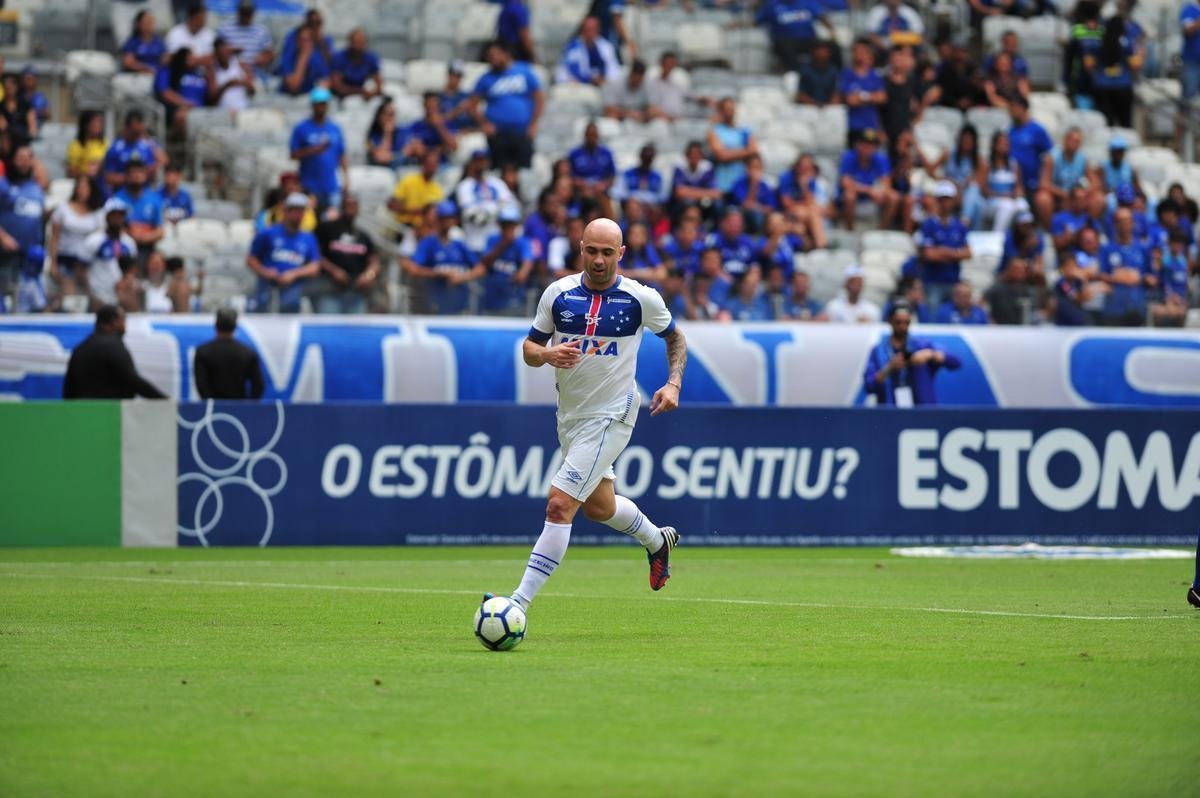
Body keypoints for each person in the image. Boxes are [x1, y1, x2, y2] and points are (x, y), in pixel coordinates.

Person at [491, 217, 685, 617]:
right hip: (571, 417)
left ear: (621, 253)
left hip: (613, 414)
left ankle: (516, 605)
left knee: (559, 505)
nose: (599, 260)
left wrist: (673, 384)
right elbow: (529, 349)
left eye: (607, 253)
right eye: (592, 251)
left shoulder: (640, 298)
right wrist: (547, 354)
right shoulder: (558, 294)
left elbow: (675, 338)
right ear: (580, 249)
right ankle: (657, 541)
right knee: (600, 507)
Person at [863, 301, 961, 406]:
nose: (902, 326)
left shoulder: (921, 346)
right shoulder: (878, 351)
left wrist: (931, 354)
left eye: (906, 322)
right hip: (890, 409)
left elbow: (956, 362)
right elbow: (869, 386)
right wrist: (889, 368)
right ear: (890, 321)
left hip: (922, 408)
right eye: (898, 322)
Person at [62, 306, 166, 399]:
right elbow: (132, 380)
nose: (125, 325)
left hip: (83, 411)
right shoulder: (113, 346)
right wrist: (164, 400)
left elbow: (68, 389)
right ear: (114, 321)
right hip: (111, 411)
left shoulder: (79, 349)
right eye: (123, 319)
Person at [469, 41, 544, 170]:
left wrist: (534, 123)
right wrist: (484, 124)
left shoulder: (524, 71)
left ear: (506, 53)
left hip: (522, 132)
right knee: (498, 169)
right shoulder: (486, 78)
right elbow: (471, 105)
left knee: (524, 170)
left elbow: (539, 98)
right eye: (489, 56)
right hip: (498, 134)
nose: (492, 59)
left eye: (495, 54)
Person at [247, 192, 321, 313]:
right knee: (261, 303)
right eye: (295, 211)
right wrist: (265, 272)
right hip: (268, 285)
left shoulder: (308, 237)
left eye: (302, 211)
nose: (299, 215)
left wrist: (293, 274)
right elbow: (251, 260)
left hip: (295, 288)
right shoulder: (268, 233)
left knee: (291, 303)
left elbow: (314, 266)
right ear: (286, 211)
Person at [402, 201, 478, 315]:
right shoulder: (428, 243)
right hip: (433, 303)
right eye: (443, 218)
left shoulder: (458, 242)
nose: (447, 222)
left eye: (450, 218)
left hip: (459, 303)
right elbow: (414, 269)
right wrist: (439, 273)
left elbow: (479, 267)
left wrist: (463, 277)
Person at [313, 194, 379, 314]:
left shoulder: (363, 235)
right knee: (329, 323)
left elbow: (374, 261)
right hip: (329, 290)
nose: (351, 208)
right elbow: (316, 255)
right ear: (342, 207)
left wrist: (369, 275)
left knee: (355, 324)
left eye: (354, 205)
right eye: (348, 205)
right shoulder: (326, 228)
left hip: (356, 291)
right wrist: (334, 271)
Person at [0, 144, 45, 311]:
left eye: (28, 158)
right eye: (20, 158)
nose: (24, 162)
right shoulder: (3, 185)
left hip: (30, 260)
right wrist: (2, 237)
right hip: (5, 257)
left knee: (29, 306)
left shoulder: (36, 188)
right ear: (12, 160)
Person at [914, 181, 971, 309]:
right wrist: (955, 253)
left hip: (953, 281)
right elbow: (929, 255)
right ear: (937, 200)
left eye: (948, 199)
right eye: (942, 199)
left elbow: (968, 253)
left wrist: (941, 251)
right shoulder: (928, 224)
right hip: (932, 282)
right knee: (933, 314)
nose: (945, 203)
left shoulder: (960, 225)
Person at [289, 87, 347, 214]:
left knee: (331, 220)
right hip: (309, 186)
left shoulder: (335, 128)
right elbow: (293, 154)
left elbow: (341, 155)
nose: (321, 107)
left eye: (324, 103)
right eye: (318, 103)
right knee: (310, 219)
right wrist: (314, 150)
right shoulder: (301, 128)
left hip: (331, 186)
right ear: (312, 105)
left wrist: (346, 179)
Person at [470, 205, 534, 316]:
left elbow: (527, 263)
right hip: (492, 298)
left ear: (516, 226)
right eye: (505, 225)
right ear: (499, 225)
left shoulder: (523, 242)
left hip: (513, 297)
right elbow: (484, 262)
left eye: (511, 225)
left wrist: (522, 273)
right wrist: (503, 244)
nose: (508, 228)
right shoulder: (492, 240)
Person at [48, 175, 104, 299]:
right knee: (69, 293)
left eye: (86, 187)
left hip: (86, 262)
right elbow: (54, 238)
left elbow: (99, 240)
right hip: (66, 258)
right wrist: (53, 263)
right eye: (80, 187)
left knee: (92, 295)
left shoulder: (97, 213)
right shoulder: (63, 208)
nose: (82, 190)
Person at [1097, 206, 1152, 327]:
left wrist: (1141, 278)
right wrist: (1119, 277)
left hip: (1137, 307)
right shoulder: (1106, 249)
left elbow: (1152, 277)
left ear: (1132, 223)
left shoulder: (1143, 249)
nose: (1124, 225)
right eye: (1120, 221)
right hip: (1113, 308)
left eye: (1127, 221)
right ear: (1115, 224)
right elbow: (1101, 274)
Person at [194, 308, 265, 399]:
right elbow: (258, 385)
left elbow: (201, 384)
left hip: (214, 405)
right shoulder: (247, 353)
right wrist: (248, 404)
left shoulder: (203, 352)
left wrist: (211, 402)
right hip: (239, 405)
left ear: (216, 325)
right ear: (235, 327)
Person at [456, 149, 518, 251]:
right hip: (474, 243)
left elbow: (508, 209)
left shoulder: (498, 184)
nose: (481, 163)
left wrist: (485, 212)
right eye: (478, 160)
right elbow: (474, 217)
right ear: (472, 163)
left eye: (484, 160)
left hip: (497, 243)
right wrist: (496, 209)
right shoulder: (465, 186)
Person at [81, 199, 138, 310]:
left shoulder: (129, 243)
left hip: (121, 297)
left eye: (120, 215)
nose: (117, 219)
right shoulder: (94, 240)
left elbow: (131, 271)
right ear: (107, 216)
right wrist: (89, 293)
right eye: (114, 215)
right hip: (99, 296)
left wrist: (126, 287)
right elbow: (81, 269)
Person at [837, 128, 898, 231]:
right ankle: (850, 230)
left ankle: (881, 230)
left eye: (871, 145)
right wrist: (869, 190)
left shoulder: (880, 159)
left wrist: (880, 192)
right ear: (857, 145)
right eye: (865, 144)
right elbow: (845, 182)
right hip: (858, 194)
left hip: (873, 194)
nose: (868, 148)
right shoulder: (849, 157)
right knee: (849, 196)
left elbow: (886, 182)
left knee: (893, 197)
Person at [755, 0, 834, 73]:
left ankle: (833, 73)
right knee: (787, 47)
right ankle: (796, 73)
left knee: (830, 46)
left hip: (808, 39)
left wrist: (832, 31)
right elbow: (756, 22)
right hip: (784, 40)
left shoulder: (807, 2)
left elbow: (821, 17)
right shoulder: (771, 5)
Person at [113, 154, 165, 253]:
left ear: (145, 175)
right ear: (127, 176)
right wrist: (133, 237)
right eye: (133, 172)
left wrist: (143, 238)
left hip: (149, 247)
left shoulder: (154, 198)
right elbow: (115, 228)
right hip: (124, 247)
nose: (137, 176)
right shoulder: (117, 200)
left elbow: (160, 231)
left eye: (140, 172)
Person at [103, 110, 166, 191]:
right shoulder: (115, 148)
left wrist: (145, 173)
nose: (138, 134)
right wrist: (130, 178)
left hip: (145, 192)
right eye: (135, 131)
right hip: (123, 193)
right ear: (127, 128)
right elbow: (109, 178)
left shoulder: (147, 145)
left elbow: (162, 160)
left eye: (140, 131)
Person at [707, 97, 758, 193]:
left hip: (741, 181)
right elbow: (721, 156)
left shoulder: (744, 130)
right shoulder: (714, 131)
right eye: (727, 109)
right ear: (721, 111)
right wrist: (746, 151)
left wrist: (729, 153)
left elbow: (754, 150)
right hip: (722, 182)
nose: (730, 112)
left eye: (732, 109)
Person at [278, 8, 334, 96]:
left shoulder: (318, 54)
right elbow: (293, 86)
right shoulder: (289, 56)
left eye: (318, 22)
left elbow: (327, 80)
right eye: (312, 23)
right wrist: (304, 55)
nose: (315, 27)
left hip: (312, 95)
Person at [840, 38, 886, 145]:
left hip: (871, 124)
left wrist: (861, 96)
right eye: (856, 51)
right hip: (852, 125)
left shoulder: (875, 75)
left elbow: (882, 97)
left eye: (862, 51)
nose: (859, 54)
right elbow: (850, 100)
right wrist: (871, 97)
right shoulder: (847, 74)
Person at [155, 47, 208, 135]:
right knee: (182, 116)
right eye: (189, 58)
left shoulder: (200, 74)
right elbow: (165, 92)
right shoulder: (172, 72)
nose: (193, 59)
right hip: (180, 109)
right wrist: (184, 103)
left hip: (202, 109)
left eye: (193, 57)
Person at [568, 121, 617, 218]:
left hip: (601, 192)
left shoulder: (606, 153)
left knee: (609, 206)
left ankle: (611, 223)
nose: (592, 138)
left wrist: (603, 185)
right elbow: (569, 176)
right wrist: (583, 184)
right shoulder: (574, 154)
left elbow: (612, 176)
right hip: (581, 191)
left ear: (598, 136)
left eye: (594, 135)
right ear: (585, 135)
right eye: (589, 135)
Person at [217, 0, 275, 80]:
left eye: (248, 13)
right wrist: (230, 51)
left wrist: (263, 58)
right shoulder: (225, 29)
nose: (246, 16)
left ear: (253, 13)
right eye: (244, 13)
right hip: (231, 71)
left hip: (255, 71)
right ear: (238, 12)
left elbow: (270, 54)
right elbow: (216, 52)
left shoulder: (261, 31)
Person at [981, 129, 1025, 233]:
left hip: (1010, 199)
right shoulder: (987, 164)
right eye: (1001, 143)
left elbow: (1019, 187)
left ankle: (1020, 238)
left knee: (1023, 205)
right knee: (1006, 206)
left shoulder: (1014, 165)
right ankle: (997, 235)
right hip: (991, 202)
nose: (1005, 145)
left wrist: (1018, 193)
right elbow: (984, 190)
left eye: (1006, 143)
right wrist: (1002, 196)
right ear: (994, 145)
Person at [388, 148, 444, 229]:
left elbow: (434, 213)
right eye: (429, 164)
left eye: (434, 165)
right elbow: (393, 205)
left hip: (424, 228)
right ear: (423, 164)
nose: (432, 168)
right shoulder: (409, 180)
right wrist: (418, 211)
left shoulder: (437, 189)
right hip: (404, 225)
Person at [557, 16, 621, 86]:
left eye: (592, 29)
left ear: (598, 30)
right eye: (587, 29)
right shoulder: (572, 48)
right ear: (582, 30)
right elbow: (562, 72)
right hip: (579, 85)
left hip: (602, 85)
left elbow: (614, 71)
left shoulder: (606, 47)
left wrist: (604, 80)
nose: (590, 33)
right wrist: (586, 80)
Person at [1064, 0, 1104, 111]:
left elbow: (1069, 57)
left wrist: (1066, 79)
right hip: (1093, 79)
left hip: (1084, 79)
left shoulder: (1077, 30)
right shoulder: (1102, 31)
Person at [671, 140, 721, 217]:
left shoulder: (706, 167)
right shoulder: (680, 167)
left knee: (716, 205)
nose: (694, 157)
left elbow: (715, 193)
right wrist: (704, 193)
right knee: (688, 202)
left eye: (697, 154)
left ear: (702, 156)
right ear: (686, 156)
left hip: (702, 201)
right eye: (692, 154)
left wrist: (689, 192)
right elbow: (679, 193)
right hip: (684, 203)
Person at [705, 208, 758, 279]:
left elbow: (754, 266)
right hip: (718, 279)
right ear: (723, 223)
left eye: (738, 224)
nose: (735, 227)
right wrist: (726, 279)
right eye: (732, 223)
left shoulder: (748, 242)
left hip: (743, 280)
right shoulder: (713, 240)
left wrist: (751, 276)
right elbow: (709, 265)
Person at [331, 28, 383, 100]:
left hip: (364, 96)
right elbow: (337, 86)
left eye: (361, 42)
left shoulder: (371, 57)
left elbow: (379, 83)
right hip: (343, 97)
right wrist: (360, 91)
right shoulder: (339, 57)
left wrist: (372, 93)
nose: (358, 45)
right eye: (356, 42)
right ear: (350, 42)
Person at [208, 36, 255, 113]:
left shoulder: (241, 66)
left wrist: (242, 83)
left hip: (243, 110)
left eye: (226, 51)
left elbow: (252, 91)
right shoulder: (212, 70)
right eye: (221, 53)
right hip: (223, 112)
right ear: (216, 54)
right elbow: (212, 98)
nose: (224, 55)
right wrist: (227, 85)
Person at [796, 39, 840, 107]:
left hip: (829, 108)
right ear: (813, 51)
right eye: (819, 50)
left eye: (824, 50)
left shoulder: (834, 71)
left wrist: (828, 106)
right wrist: (815, 104)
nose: (821, 53)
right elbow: (801, 95)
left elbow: (836, 94)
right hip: (808, 108)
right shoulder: (805, 71)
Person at [121, 10, 166, 75]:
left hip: (157, 73)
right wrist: (146, 68)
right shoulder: (132, 42)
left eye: (150, 22)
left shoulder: (158, 41)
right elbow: (128, 62)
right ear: (138, 24)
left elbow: (164, 59)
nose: (148, 25)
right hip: (140, 75)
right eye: (145, 22)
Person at [67, 111, 108, 180]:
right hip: (83, 181)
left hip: (102, 181)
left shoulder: (105, 143)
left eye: (100, 123)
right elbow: (71, 172)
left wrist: (100, 166)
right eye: (95, 123)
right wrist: (86, 172)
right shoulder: (76, 145)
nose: (99, 126)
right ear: (86, 125)